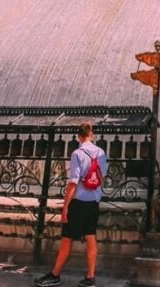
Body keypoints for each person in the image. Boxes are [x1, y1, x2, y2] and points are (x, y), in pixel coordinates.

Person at [35, 123, 108, 287]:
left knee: (67, 239)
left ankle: (55, 274)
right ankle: (90, 277)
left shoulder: (77, 153)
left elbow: (73, 182)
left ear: (78, 136)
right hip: (93, 203)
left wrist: (65, 206)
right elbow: (102, 179)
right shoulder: (101, 153)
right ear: (92, 135)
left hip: (78, 202)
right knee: (91, 237)